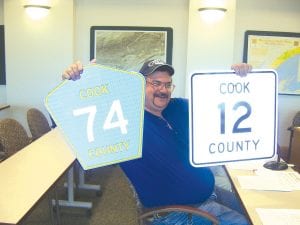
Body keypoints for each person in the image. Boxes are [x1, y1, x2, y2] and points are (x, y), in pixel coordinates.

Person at [62, 59, 252, 225]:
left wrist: (237, 78)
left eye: (167, 84)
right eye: (155, 83)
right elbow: (71, 123)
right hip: (179, 214)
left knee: (251, 207)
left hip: (207, 194)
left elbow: (218, 104)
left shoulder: (177, 107)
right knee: (248, 221)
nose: (163, 90)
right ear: (140, 85)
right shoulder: (125, 121)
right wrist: (72, 85)